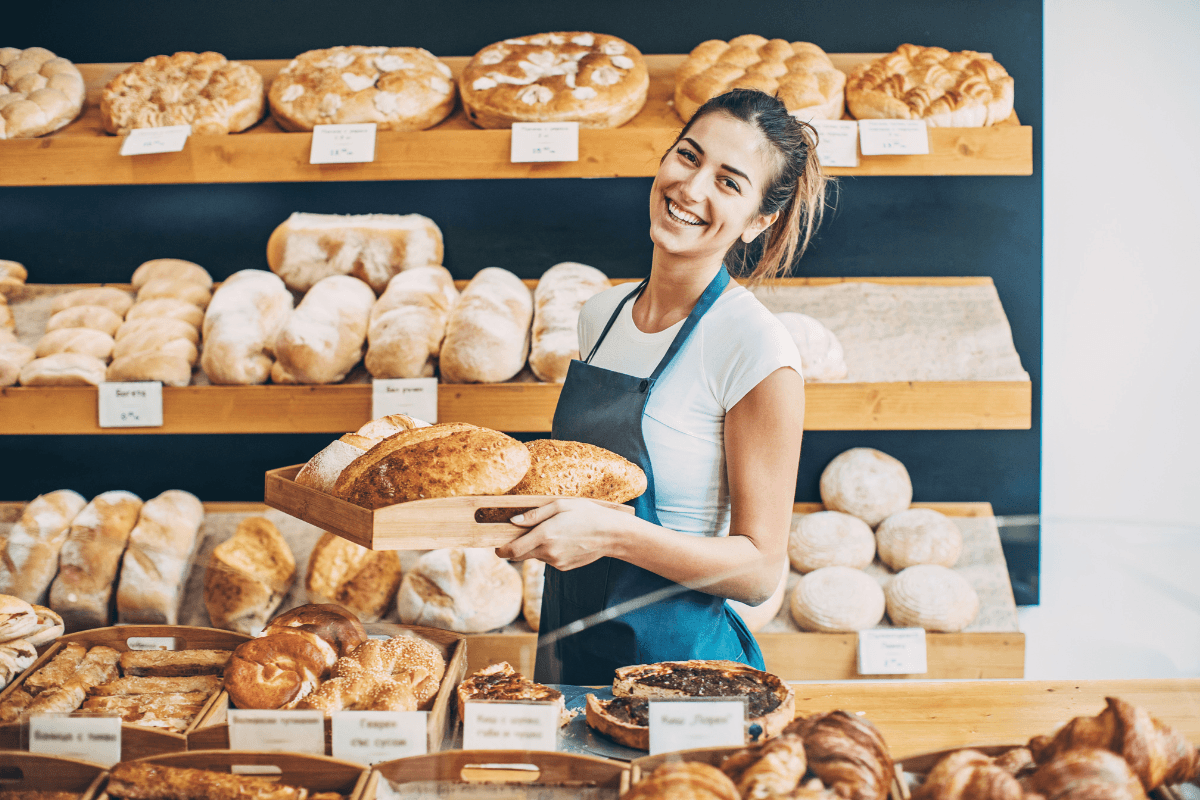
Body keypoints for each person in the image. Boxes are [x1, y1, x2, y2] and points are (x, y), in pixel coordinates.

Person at [496, 89, 828, 685]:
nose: (692, 189)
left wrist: (611, 533)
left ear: (759, 220)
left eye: (729, 183)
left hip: (685, 676)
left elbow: (758, 570)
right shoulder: (599, 315)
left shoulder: (756, 348)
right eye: (688, 156)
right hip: (574, 650)